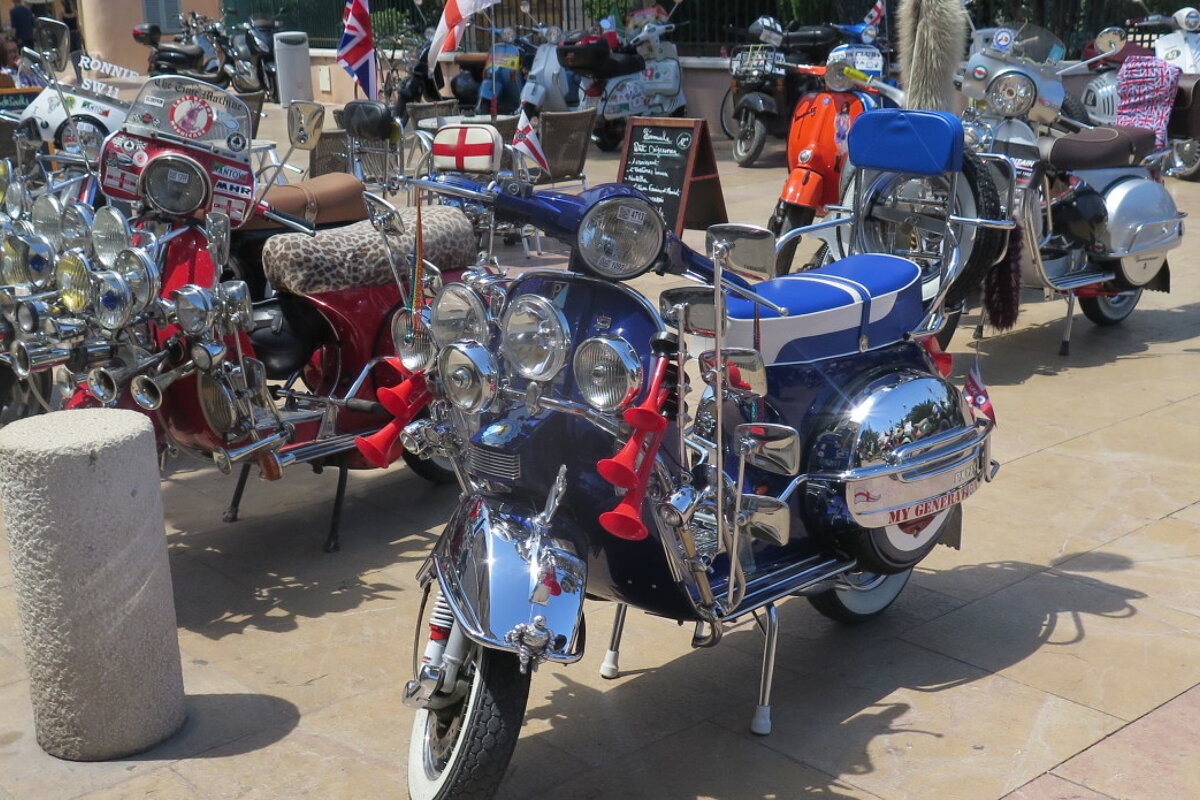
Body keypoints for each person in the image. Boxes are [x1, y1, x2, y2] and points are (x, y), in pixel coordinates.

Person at [61, 0, 82, 82]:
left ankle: (77, 74)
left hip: (69, 35)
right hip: (76, 34)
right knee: (79, 55)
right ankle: (79, 76)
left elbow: (63, 27)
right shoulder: (75, 13)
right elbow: (78, 26)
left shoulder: (62, 14)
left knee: (73, 56)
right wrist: (81, 37)